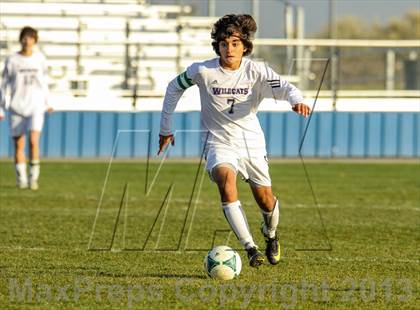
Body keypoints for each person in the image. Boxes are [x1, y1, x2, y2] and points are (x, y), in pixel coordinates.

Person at [158, 14, 310, 267]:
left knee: (265, 200)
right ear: (217, 46)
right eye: (224, 43)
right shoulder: (202, 71)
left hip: (251, 144)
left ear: (245, 47)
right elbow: (174, 87)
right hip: (218, 143)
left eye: (235, 43)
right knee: (225, 181)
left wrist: (297, 100)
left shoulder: (257, 71)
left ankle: (270, 235)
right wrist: (166, 128)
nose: (229, 48)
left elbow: (286, 87)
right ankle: (250, 249)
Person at [0, 26, 52, 190]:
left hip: (35, 105)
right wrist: (2, 106)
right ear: (20, 39)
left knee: (33, 140)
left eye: (30, 37)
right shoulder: (12, 60)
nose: (27, 40)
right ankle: (21, 178)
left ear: (35, 40)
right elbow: (4, 84)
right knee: (19, 144)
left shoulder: (40, 59)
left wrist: (48, 102)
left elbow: (44, 81)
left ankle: (33, 177)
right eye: (24, 37)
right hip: (17, 106)